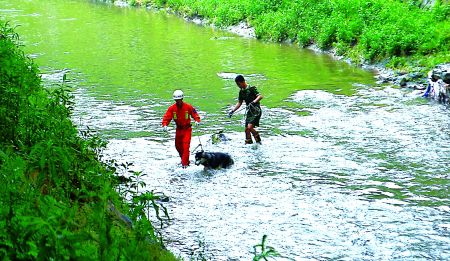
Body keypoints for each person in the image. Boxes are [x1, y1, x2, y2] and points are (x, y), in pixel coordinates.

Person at [162, 90, 201, 168]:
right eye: (176, 100)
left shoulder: (188, 106)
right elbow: (167, 117)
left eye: (179, 100)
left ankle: (184, 165)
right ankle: (185, 160)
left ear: (182, 99)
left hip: (187, 129)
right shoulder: (172, 108)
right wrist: (165, 124)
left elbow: (194, 114)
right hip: (178, 129)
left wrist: (197, 120)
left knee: (186, 147)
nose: (178, 101)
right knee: (178, 146)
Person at [227, 75, 263, 144]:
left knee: (249, 127)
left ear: (243, 81)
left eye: (239, 84)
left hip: (256, 110)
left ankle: (259, 142)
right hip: (249, 111)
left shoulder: (252, 88)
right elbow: (239, 103)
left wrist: (253, 102)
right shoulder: (241, 92)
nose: (238, 86)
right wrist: (232, 111)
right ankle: (249, 145)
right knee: (246, 130)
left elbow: (260, 96)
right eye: (237, 85)